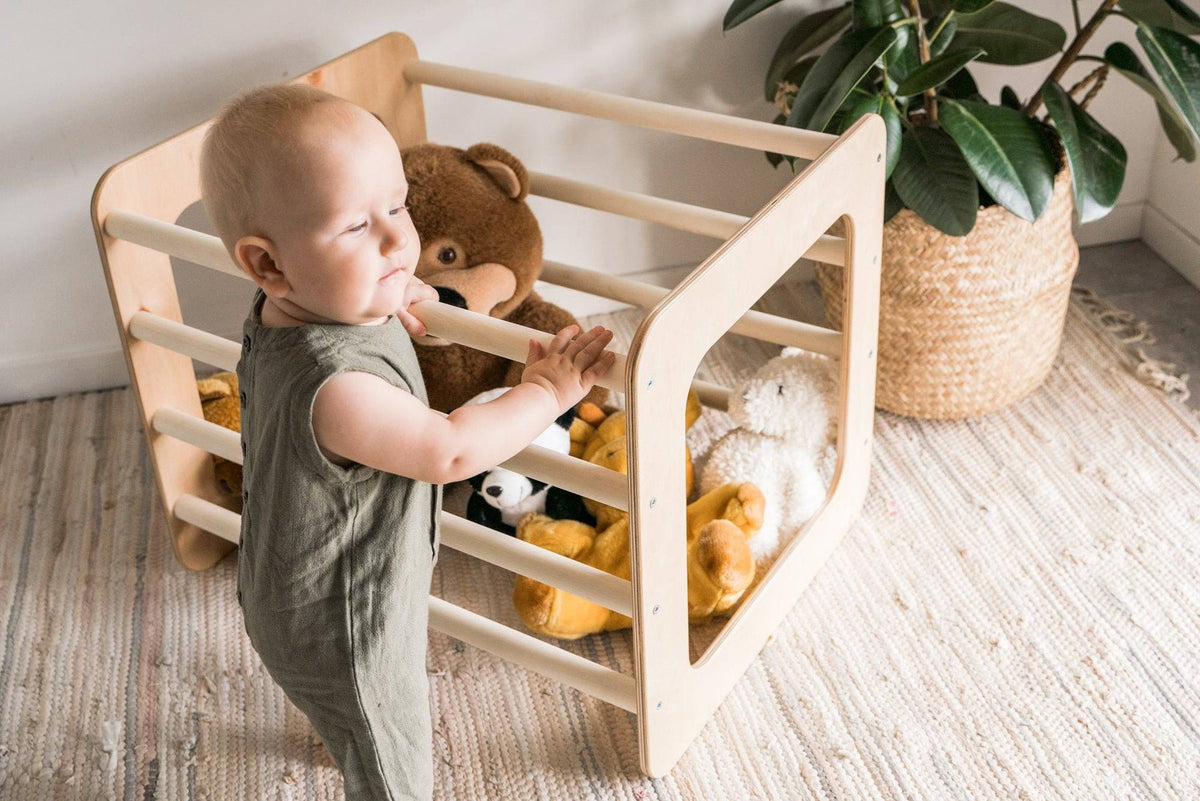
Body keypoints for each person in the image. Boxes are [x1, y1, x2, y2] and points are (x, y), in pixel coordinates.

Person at [199, 83, 615, 801]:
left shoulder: (302, 299)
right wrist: (545, 394)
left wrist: (400, 292)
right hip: (344, 625)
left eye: (397, 207)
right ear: (269, 263)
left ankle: (342, 732)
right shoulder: (335, 387)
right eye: (358, 227)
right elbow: (449, 450)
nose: (399, 240)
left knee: (349, 724)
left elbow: (357, 294)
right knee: (391, 753)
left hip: (294, 583)